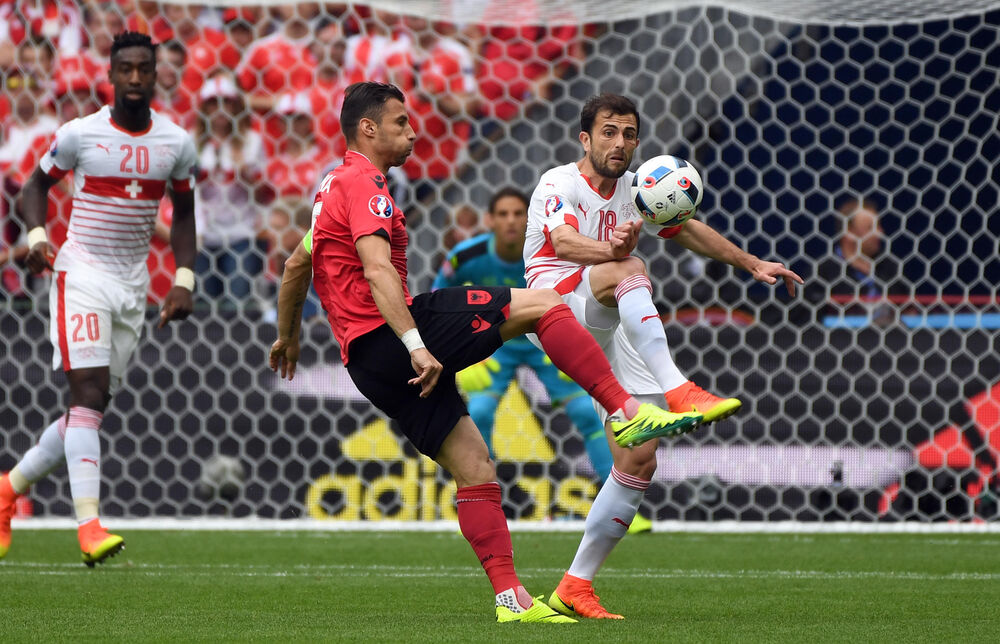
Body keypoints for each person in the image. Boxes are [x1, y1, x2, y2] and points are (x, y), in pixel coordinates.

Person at [267, 81, 703, 623]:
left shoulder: (330, 187)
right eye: (401, 122)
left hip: (364, 362)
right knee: (544, 304)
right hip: (395, 334)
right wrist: (415, 344)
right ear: (368, 128)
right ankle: (628, 409)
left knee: (475, 467)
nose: (413, 132)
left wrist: (288, 336)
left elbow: (296, 265)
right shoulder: (364, 182)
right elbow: (378, 270)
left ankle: (512, 601)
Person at [526, 93, 803, 619]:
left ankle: (575, 586)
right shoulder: (558, 183)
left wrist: (751, 263)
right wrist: (612, 252)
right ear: (585, 138)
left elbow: (685, 228)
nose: (620, 143)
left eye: (629, 134)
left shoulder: (639, 189)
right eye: (608, 132)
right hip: (555, 305)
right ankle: (680, 389)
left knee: (638, 457)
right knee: (631, 268)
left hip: (607, 316)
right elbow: (562, 244)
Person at [0, 32, 198, 566]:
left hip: (132, 288)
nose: (134, 78)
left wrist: (183, 278)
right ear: (110, 75)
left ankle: (6, 490)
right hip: (81, 274)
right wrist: (37, 238)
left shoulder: (176, 143)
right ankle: (89, 526)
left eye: (143, 69)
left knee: (87, 410)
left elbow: (184, 214)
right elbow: (34, 187)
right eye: (125, 68)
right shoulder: (79, 134)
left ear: (155, 76)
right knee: (87, 394)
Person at [432, 187, 613, 485]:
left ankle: (616, 499)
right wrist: (460, 354)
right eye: (503, 214)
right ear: (489, 220)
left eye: (518, 214)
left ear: (530, 218)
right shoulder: (466, 257)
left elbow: (582, 294)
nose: (511, 221)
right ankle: (485, 495)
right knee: (479, 412)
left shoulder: (553, 252)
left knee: (586, 411)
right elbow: (438, 301)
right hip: (494, 344)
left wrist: (577, 340)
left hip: (546, 340)